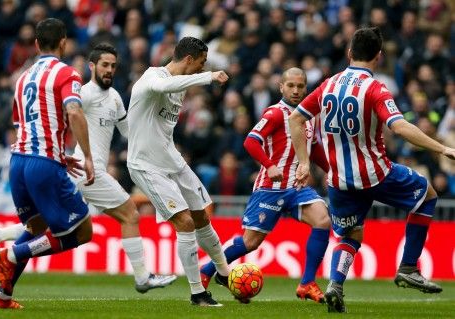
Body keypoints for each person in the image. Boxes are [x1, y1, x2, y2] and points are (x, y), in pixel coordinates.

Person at [0, 43, 177, 293]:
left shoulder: (114, 98)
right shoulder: (84, 93)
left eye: (113, 66)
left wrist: (154, 127)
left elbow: (129, 133)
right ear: (92, 66)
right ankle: (142, 277)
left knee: (40, 227)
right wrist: (61, 154)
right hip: (87, 171)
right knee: (130, 215)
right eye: (104, 65)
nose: (109, 70)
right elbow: (63, 115)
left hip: (84, 171)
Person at [288, 27, 454, 313]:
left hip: (338, 180)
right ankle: (409, 267)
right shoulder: (375, 88)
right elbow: (399, 126)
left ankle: (335, 285)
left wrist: (304, 162)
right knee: (427, 195)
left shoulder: (328, 84)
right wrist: (441, 148)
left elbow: (294, 119)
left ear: (349, 52)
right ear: (379, 57)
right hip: (376, 174)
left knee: (351, 234)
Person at [0, 18, 95, 309]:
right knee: (83, 232)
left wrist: (60, 156)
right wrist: (87, 156)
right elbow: (73, 112)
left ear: (36, 44)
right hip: (43, 163)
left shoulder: (22, 78)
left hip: (18, 163)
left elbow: (22, 124)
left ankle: (3, 297)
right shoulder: (67, 73)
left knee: (36, 227)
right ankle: (11, 253)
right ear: (64, 42)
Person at [200, 68, 331, 303]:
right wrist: (269, 165)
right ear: (281, 87)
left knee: (323, 221)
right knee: (249, 243)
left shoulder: (308, 118)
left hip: (298, 188)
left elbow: (316, 150)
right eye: (290, 85)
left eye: (300, 86)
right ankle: (207, 271)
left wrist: (334, 172)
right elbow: (251, 141)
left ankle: (307, 283)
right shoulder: (275, 113)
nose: (296, 90)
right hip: (270, 188)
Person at [126, 37, 230, 307]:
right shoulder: (152, 77)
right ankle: (197, 293)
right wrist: (208, 77)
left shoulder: (180, 87)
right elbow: (164, 85)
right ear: (189, 60)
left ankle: (224, 273)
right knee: (184, 222)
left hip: (171, 160)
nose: (201, 67)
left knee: (201, 216)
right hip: (146, 165)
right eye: (201, 62)